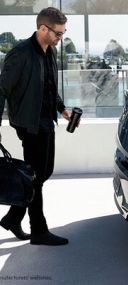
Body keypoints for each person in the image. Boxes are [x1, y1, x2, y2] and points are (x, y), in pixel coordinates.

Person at [0, 7, 72, 246]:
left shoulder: (49, 51)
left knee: (41, 173)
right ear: (43, 28)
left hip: (46, 120)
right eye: (58, 34)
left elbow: (50, 86)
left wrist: (62, 108)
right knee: (36, 176)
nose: (60, 38)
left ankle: (13, 217)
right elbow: (2, 90)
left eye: (62, 34)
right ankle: (38, 230)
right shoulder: (20, 53)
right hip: (29, 123)